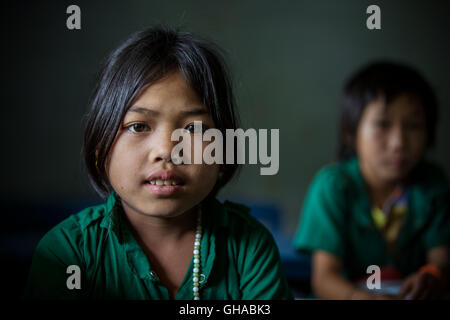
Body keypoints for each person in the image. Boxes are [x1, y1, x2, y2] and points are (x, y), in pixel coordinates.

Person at [24, 26, 292, 300]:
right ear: (99, 147)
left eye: (193, 129)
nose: (166, 150)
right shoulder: (69, 252)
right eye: (138, 126)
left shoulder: (249, 247)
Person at [293, 61, 450, 300]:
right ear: (351, 133)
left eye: (414, 126)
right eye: (382, 124)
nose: (398, 142)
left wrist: (432, 276)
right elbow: (324, 278)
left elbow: (440, 261)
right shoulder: (332, 187)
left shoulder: (433, 185)